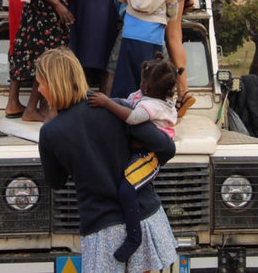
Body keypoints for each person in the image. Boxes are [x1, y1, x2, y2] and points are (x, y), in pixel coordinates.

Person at [37, 47, 178, 272]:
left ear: (53, 85)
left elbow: (56, 182)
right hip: (145, 217)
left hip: (102, 230)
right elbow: (166, 148)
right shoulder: (115, 107)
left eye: (40, 83)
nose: (39, 89)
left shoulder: (50, 133)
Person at [88, 51, 178, 262]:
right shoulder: (147, 95)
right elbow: (127, 101)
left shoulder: (154, 107)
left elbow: (133, 117)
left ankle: (134, 237)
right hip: (137, 152)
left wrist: (106, 103)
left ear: (146, 87)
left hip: (148, 155)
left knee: (127, 189)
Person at [111, 0, 179, 99]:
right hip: (153, 40)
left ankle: (124, 115)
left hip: (129, 36)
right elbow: (172, 13)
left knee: (126, 83)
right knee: (151, 83)